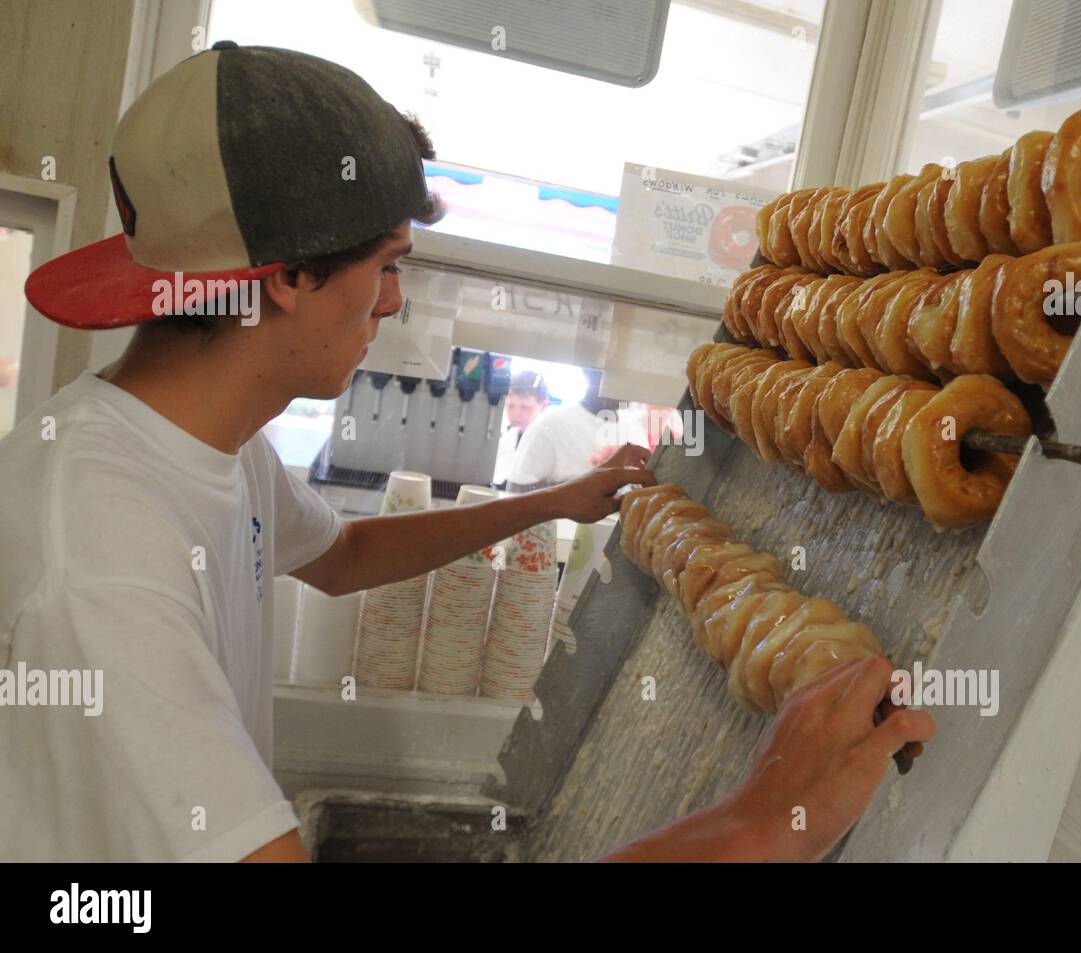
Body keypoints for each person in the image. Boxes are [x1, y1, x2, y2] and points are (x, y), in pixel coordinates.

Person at [4, 43, 933, 862]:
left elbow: (344, 556)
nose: (393, 302)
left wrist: (551, 499)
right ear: (288, 276)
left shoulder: (207, 447)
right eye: (387, 265)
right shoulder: (100, 555)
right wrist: (769, 819)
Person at [505, 367, 625, 492]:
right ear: (591, 373)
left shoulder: (633, 425)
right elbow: (516, 495)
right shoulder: (550, 426)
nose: (517, 413)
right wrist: (593, 481)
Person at [491, 370, 548, 487]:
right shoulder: (499, 437)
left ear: (543, 406)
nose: (516, 413)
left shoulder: (548, 442)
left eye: (525, 407)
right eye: (510, 405)